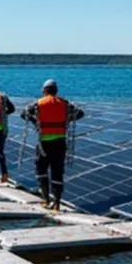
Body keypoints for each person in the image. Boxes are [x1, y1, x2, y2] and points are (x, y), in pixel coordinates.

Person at [21, 79, 84, 211]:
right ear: (56, 91)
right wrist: (66, 121)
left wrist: (36, 122)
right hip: (60, 143)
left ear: (45, 90)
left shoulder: (38, 103)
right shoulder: (65, 103)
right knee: (57, 172)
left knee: (41, 170)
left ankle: (45, 199)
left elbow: (24, 114)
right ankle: (57, 203)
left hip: (44, 143)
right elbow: (80, 113)